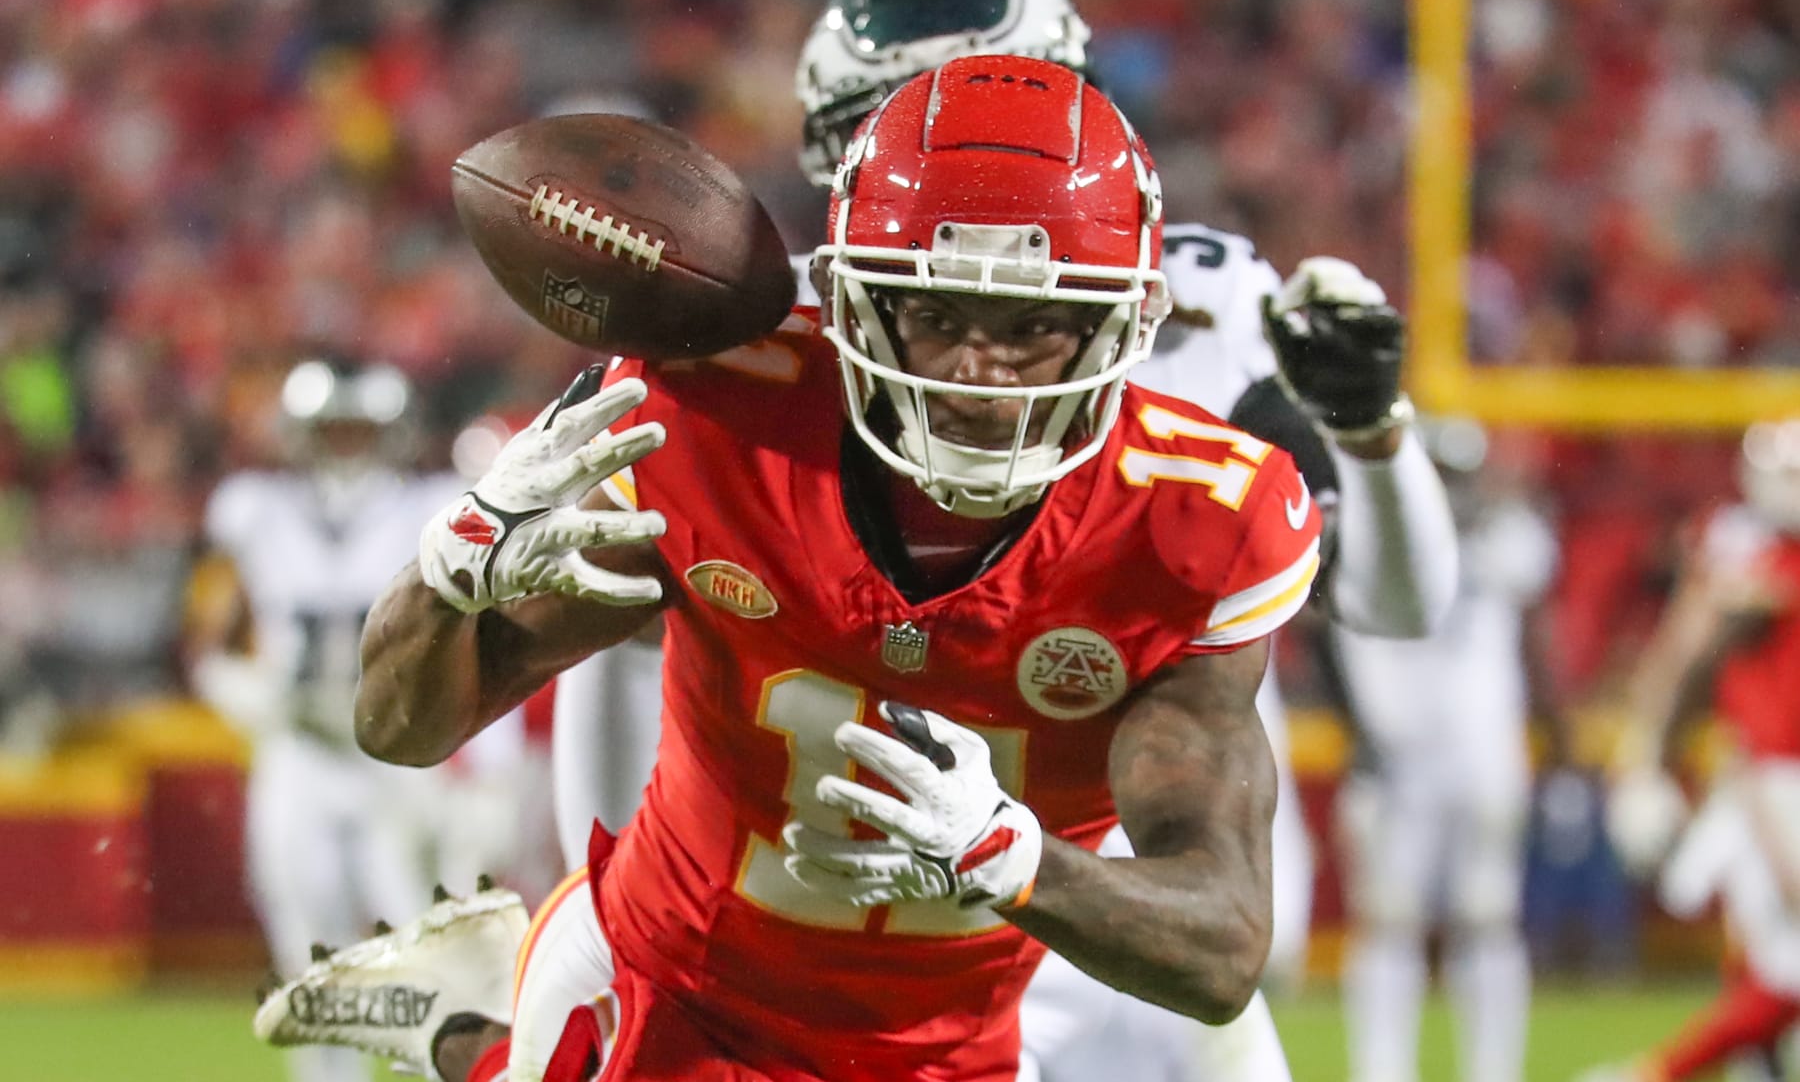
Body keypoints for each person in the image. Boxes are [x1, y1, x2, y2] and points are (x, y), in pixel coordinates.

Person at [260, 55, 1321, 1082]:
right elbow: (400, 725)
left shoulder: (1198, 522)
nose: (974, 372)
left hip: (945, 1040)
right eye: (935, 313)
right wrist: (450, 569)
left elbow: (1224, 945)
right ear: (857, 297)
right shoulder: (717, 411)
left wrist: (1011, 854)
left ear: (1125, 321)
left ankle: (464, 1016)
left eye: (1035, 325)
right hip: (671, 968)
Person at [550, 0, 1460, 1082]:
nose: (947, 146)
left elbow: (1393, 601)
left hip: (1103, 875)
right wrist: (591, 886)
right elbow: (630, 645)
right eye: (891, 114)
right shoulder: (785, 346)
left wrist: (1374, 437)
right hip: (831, 892)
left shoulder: (1196, 305)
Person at [185, 358, 466, 1082]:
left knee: (422, 943)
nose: (346, 444)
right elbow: (207, 633)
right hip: (301, 753)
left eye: (358, 429)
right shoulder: (255, 510)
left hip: (398, 755)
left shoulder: (428, 504)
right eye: (332, 429)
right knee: (310, 944)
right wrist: (240, 687)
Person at [1329, 420, 1562, 1082]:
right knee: (1387, 921)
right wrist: (1358, 729)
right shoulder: (1369, 533)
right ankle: (1381, 1071)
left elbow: (1539, 644)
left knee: (1487, 918)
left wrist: (1563, 740)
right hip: (1396, 753)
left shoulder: (1509, 538)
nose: (1454, 489)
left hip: (1481, 755)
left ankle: (1493, 1071)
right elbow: (1321, 628)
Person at [1582, 419, 1800, 1082]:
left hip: (1772, 772)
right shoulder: (1754, 560)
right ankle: (1656, 1071)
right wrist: (1642, 755)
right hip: (1772, 776)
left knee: (1771, 956)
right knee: (1787, 963)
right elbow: (1687, 651)